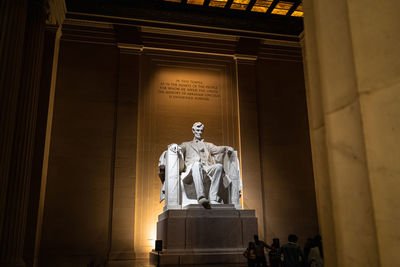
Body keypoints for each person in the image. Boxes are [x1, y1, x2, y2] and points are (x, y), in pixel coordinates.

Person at [179, 122, 233, 208]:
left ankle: (213, 198)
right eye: (197, 130)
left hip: (207, 168)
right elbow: (179, 148)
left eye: (201, 130)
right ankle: (201, 197)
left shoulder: (208, 145)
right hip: (193, 169)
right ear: (193, 130)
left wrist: (227, 148)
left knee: (219, 167)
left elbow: (218, 149)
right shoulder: (186, 144)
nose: (199, 132)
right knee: (196, 164)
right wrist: (174, 146)